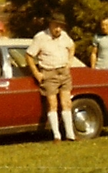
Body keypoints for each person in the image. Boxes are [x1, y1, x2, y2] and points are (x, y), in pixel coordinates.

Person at [26, 13, 76, 142]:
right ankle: (56, 136)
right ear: (50, 25)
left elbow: (72, 46)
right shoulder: (41, 37)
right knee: (52, 103)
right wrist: (36, 73)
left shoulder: (64, 36)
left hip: (63, 72)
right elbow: (29, 56)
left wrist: (69, 62)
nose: (58, 29)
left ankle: (70, 135)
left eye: (60, 26)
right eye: (56, 26)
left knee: (66, 102)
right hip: (49, 71)